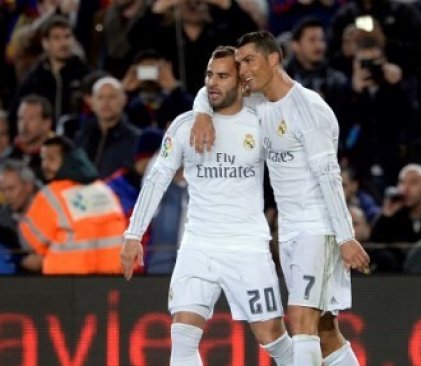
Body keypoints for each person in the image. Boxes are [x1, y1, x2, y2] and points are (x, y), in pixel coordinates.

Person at [190, 31, 369, 366]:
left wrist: (346, 237)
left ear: (274, 59)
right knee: (326, 330)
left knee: (301, 320)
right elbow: (214, 90)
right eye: (239, 62)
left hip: (317, 228)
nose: (242, 70)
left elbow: (328, 176)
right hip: (289, 231)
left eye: (249, 60)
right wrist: (202, 112)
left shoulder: (309, 109)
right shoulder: (259, 103)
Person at [121, 46, 293, 366]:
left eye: (223, 76)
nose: (213, 82)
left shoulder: (262, 122)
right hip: (197, 245)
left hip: (246, 246)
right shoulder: (186, 125)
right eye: (210, 75)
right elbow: (157, 178)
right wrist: (133, 234)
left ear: (243, 83)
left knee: (272, 336)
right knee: (183, 336)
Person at [19, 135, 125, 274]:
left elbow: (31, 240)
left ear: (68, 159)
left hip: (68, 284)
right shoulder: (104, 189)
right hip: (112, 282)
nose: (45, 165)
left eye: (51, 159)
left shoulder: (51, 194)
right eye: (43, 159)